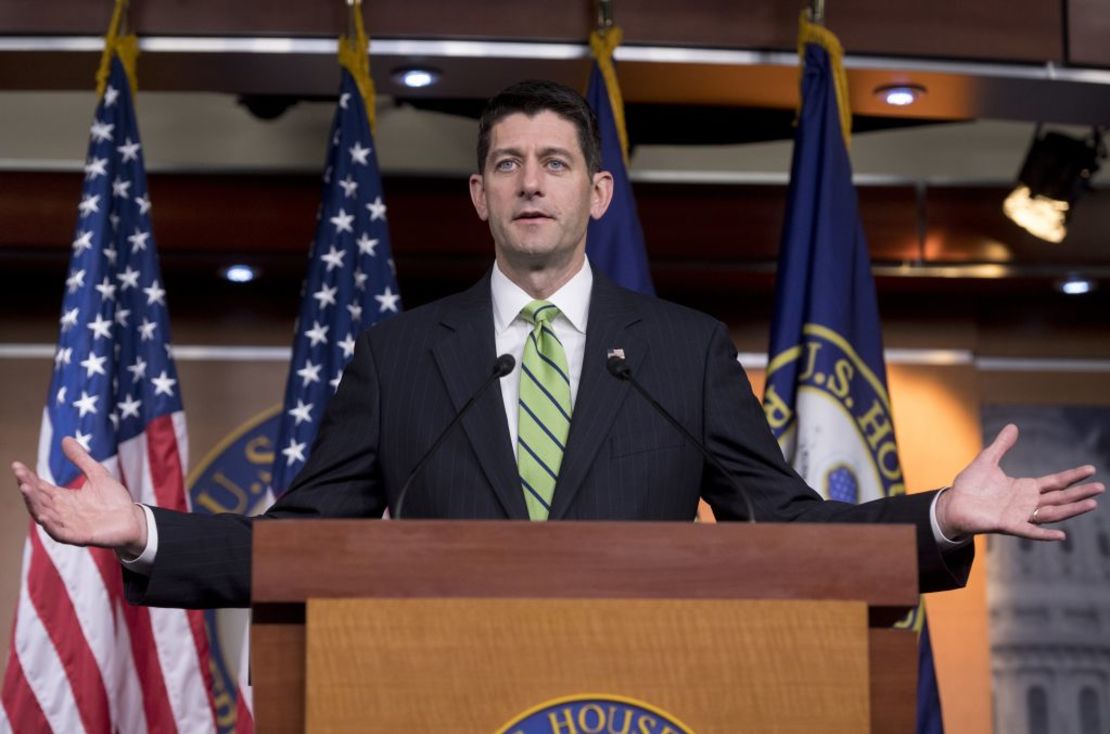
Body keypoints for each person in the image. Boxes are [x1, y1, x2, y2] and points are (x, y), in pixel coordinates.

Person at [13, 81, 1103, 609]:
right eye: (510, 163)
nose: (533, 179)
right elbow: (307, 543)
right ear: (480, 195)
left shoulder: (682, 350)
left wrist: (940, 515)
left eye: (556, 160)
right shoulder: (400, 357)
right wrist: (145, 529)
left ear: (598, 190)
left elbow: (796, 528)